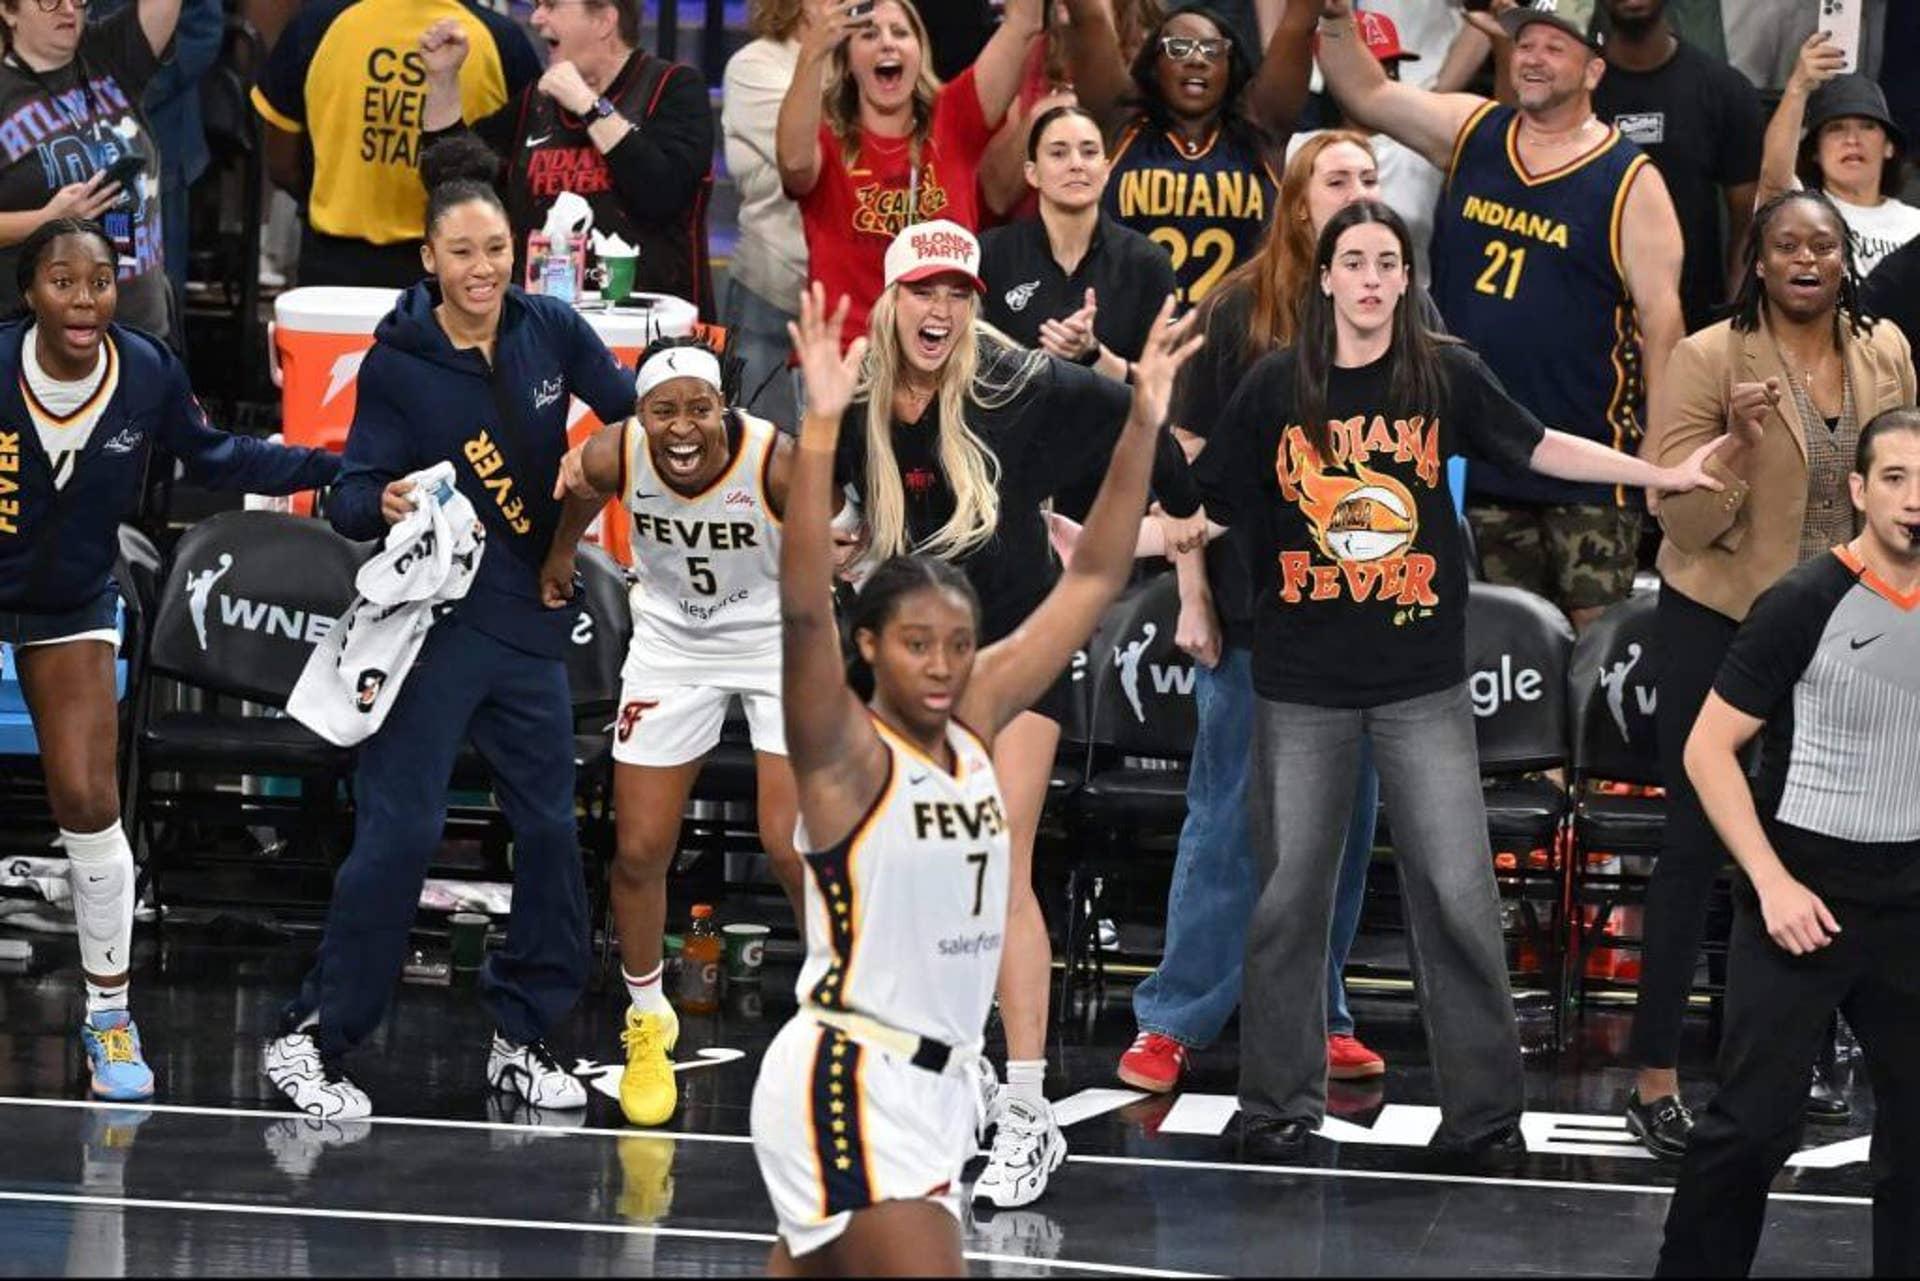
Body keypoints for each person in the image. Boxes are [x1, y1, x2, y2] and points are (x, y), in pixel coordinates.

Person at [1171, 200, 1725, 1158]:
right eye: (1356, 261)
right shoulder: (1274, 386)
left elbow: (1540, 444)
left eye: (1390, 261)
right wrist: (1102, 544)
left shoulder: (1444, 372)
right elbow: (1206, 508)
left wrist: (1656, 478)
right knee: (1288, 898)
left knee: (1458, 893)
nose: (1374, 278)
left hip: (1421, 680)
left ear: (1405, 279)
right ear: (1329, 278)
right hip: (1300, 684)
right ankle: (1276, 1104)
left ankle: (1485, 1115)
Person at [751, 278, 1200, 1277]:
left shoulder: (980, 712)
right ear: (868, 643)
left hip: (941, 1091)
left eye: (958, 643)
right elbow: (796, 610)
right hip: (850, 1076)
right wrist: (822, 428)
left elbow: (1090, 578)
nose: (945, 663)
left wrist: (1142, 425)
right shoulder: (842, 751)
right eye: (917, 644)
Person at [261, 138, 638, 1121]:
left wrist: (590, 480)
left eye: (498, 249)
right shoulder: (396, 364)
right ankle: (312, 1038)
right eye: (463, 252)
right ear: (429, 258)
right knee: (401, 831)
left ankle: (523, 1036)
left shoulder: (552, 329)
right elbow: (347, 491)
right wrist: (372, 502)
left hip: (527, 627)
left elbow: (642, 418)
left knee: (553, 829)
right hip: (427, 632)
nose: (484, 269)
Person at [0, 217, 339, 1102]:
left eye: (100, 282)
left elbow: (220, 453)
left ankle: (109, 1016)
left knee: (87, 796)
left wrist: (335, 469)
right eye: (64, 282)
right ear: (30, 292)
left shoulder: (146, 371)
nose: (84, 300)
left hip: (69, 604)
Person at [1626, 189, 1915, 1158]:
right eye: (1786, 244)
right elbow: (1681, 521)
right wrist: (1740, 448)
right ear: (1757, 260)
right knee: (1696, 839)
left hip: (1839, 629)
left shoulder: (1887, 353)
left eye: (1823, 246)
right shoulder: (1707, 358)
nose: (1806, 260)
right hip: (1718, 613)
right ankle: (1656, 1074)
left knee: (1819, 840)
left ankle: (1799, 1059)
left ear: (1846, 261)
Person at [1116, 132, 1390, 1096]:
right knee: (1228, 815)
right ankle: (1176, 1018)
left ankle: (1322, 1010)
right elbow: (1184, 465)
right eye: (1339, 180)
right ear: (1297, 202)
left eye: (1370, 179)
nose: (1358, 193)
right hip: (1251, 605)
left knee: (1345, 826)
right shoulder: (1238, 308)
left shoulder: (1398, 299)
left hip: (1361, 615)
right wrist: (1191, 592)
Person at [1318, 0, 1687, 633]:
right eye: (1524, 45)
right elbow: (1366, 91)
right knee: (1494, 640)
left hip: (1589, 465)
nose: (1533, 58)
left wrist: (1660, 450)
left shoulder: (1631, 178)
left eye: (1553, 47)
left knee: (1595, 644)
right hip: (1475, 453)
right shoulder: (1473, 128)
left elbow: (1663, 324)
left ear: (1594, 70)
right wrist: (1332, 20)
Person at [1656, 407, 1920, 1278]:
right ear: (1857, 491)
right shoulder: (1805, 601)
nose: (1915, 499)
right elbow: (1706, 750)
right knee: (1748, 1129)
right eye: (1895, 478)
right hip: (1799, 895)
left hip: (1910, 905)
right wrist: (1769, 883)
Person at [549, 336, 809, 1129]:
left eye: (700, 407)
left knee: (791, 841)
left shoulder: (773, 460)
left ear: (724, 408)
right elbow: (583, 488)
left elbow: (845, 535)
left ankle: (833, 1017)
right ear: (641, 415)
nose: (684, 426)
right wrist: (561, 554)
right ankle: (646, 1020)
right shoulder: (614, 451)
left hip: (776, 641)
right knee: (638, 847)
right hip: (672, 643)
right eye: (665, 410)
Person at [417, 0, 717, 317]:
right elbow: (451, 185)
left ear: (604, 21)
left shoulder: (674, 87)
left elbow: (662, 193)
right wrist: (443, 81)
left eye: (551, 5)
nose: (535, 18)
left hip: (653, 336)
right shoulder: (538, 101)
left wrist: (590, 106)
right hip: (545, 330)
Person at [775, 0, 1041, 342]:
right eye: (869, 35)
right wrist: (812, 52)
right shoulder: (827, 138)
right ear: (848, 63)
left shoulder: (955, 118)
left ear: (920, 51)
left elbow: (1023, 24)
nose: (887, 42)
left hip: (943, 353)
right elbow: (794, 166)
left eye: (901, 32)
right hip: (849, 361)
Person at [251, 0, 538, 289]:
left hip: (337, 266)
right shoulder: (502, 40)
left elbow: (280, 161)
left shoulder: (317, 24)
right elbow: (529, 172)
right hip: (455, 269)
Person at [1061, 0, 1305, 308]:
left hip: (1240, 340)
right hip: (1134, 338)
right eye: (1178, 48)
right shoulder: (1120, 124)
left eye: (1212, 50)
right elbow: (1089, 17)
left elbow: (1299, 26)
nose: (1196, 60)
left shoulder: (1262, 127)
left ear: (1231, 65)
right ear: (1153, 64)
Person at [0, 0, 180, 339]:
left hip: (143, 332)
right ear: (9, 12)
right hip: (46, 349)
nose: (69, 9)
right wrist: (44, 220)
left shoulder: (106, 55)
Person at [1591, 0, 1764, 332]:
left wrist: (1735, 322)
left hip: (1693, 318)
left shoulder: (1725, 90)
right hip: (1589, 312)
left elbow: (1747, 226)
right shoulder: (1575, 88)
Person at [979, 104, 1176, 393]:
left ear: (1107, 170)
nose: (1076, 164)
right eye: (1058, 153)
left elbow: (1168, 386)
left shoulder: (1148, 262)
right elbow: (965, 371)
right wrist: (1039, 365)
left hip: (1114, 433)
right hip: (1012, 433)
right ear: (1032, 173)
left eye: (1089, 152)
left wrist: (1094, 354)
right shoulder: (990, 254)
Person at [1285, 11, 1442, 286]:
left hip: (1408, 317)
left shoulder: (1425, 149)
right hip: (1312, 313)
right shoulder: (1299, 148)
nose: (1384, 79)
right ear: (1334, 73)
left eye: (1392, 69)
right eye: (1370, 67)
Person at [91, 0, 224, 306]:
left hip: (153, 144)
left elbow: (201, 31)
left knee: (145, 297)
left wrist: (117, 94)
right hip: (50, 135)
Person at [1756, 39, 1920, 280]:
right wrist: (1797, 88)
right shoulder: (1803, 212)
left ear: (1889, 146)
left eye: (1867, 126)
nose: (1852, 139)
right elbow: (1773, 180)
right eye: (1836, 128)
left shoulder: (1915, 222)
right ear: (1815, 151)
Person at [721, 0, 807, 425]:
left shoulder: (868, 59)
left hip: (859, 296)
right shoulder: (755, 66)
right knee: (763, 458)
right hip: (774, 293)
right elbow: (810, 157)